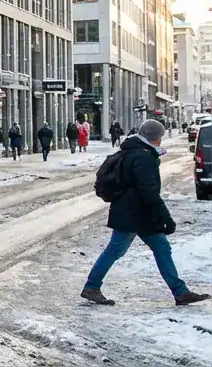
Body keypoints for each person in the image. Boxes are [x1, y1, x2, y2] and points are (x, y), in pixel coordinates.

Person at [82, 120, 209, 306]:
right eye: (160, 137)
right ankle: (91, 287)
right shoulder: (143, 157)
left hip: (137, 214)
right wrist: (166, 218)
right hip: (133, 214)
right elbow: (148, 191)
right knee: (116, 249)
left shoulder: (133, 151)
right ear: (155, 138)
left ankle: (180, 292)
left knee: (161, 248)